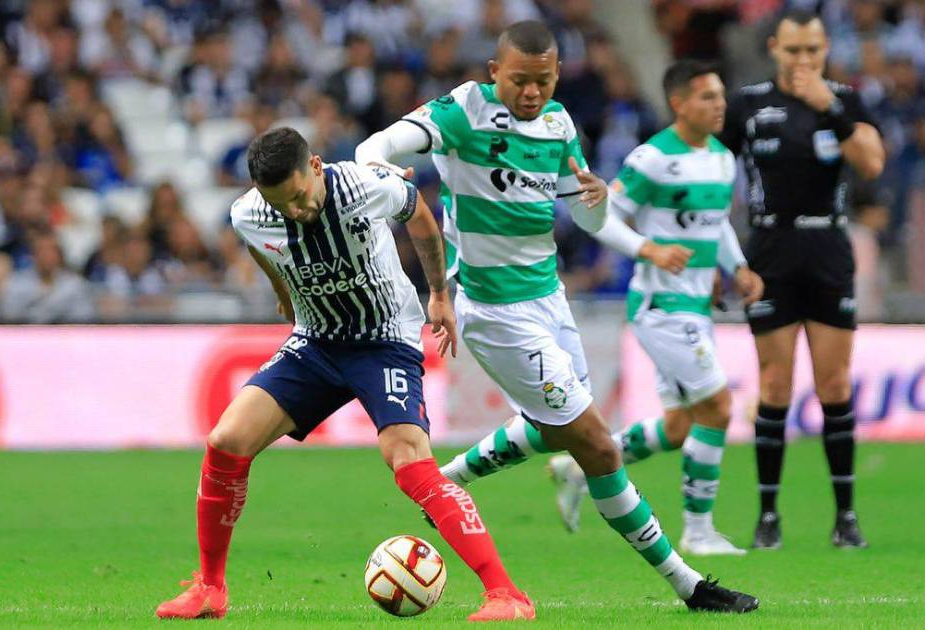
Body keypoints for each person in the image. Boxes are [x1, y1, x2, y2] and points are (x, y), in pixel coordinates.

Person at [356, 20, 758, 612]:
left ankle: (448, 481)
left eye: (542, 81)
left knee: (555, 430)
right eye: (519, 80)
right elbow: (377, 145)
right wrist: (380, 167)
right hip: (496, 312)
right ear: (495, 71)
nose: (530, 93)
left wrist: (595, 203)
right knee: (598, 446)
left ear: (557, 76)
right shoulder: (463, 110)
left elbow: (589, 216)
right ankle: (688, 583)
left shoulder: (559, 124)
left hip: (549, 300)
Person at [155, 127, 536, 622]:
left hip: (384, 340)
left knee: (407, 460)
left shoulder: (363, 186)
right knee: (226, 440)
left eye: (299, 197)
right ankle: (210, 588)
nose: (294, 211)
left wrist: (439, 294)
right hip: (316, 341)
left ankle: (506, 594)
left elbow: (418, 212)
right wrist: (283, 293)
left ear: (316, 166)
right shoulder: (248, 213)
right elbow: (259, 244)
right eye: (280, 204)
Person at [543, 59, 764, 556]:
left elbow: (715, 224)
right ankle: (699, 532)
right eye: (707, 97)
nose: (719, 105)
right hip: (661, 306)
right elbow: (600, 218)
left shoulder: (722, 159)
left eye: (721, 96)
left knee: (681, 425)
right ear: (678, 103)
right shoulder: (652, 159)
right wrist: (649, 249)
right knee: (718, 408)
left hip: (695, 307)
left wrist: (737, 266)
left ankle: (577, 469)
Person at [718, 9, 885, 549]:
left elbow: (872, 163)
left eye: (813, 50)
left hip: (828, 246)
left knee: (835, 384)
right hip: (770, 249)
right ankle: (768, 516)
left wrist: (826, 105)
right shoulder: (748, 104)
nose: (803, 60)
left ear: (826, 49)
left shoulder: (845, 100)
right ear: (774, 48)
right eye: (793, 50)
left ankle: (846, 517)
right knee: (774, 385)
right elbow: (710, 167)